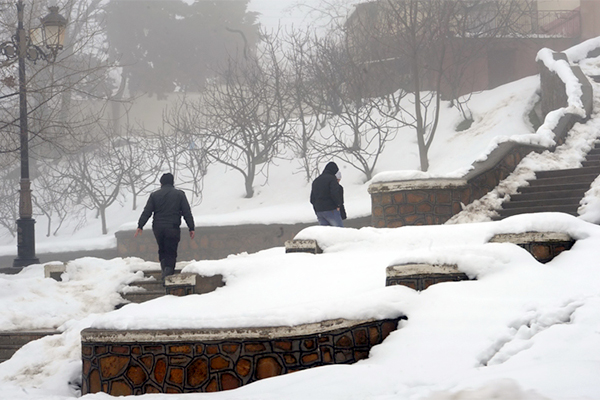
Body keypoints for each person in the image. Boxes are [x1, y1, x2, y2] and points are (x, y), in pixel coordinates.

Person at [135, 173, 195, 280]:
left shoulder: (154, 195)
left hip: (158, 228)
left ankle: (165, 270)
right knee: (171, 250)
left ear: (161, 183)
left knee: (162, 249)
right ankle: (168, 274)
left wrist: (140, 225)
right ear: (172, 182)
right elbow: (187, 212)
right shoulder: (179, 194)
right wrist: (191, 227)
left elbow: (147, 211)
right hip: (172, 227)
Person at [310, 162, 344, 227]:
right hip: (331, 209)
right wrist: (338, 204)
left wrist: (317, 207)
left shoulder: (316, 181)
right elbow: (335, 193)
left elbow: (312, 199)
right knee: (339, 230)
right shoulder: (332, 179)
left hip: (319, 211)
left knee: (325, 232)